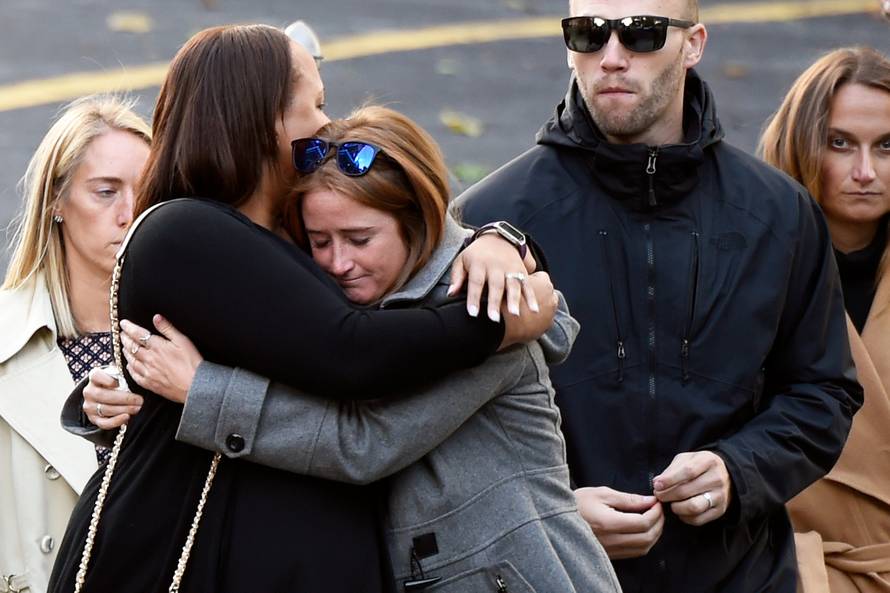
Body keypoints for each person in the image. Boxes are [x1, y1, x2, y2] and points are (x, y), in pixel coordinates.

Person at [48, 25, 555, 593]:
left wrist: (501, 242)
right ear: (262, 119)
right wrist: (501, 321)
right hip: (180, 552)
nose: (325, 124)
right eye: (314, 104)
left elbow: (414, 248)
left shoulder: (293, 234)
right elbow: (350, 352)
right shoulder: (183, 230)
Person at [455, 0, 864, 591]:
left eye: (642, 34)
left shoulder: (778, 213)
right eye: (588, 34)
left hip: (742, 576)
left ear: (694, 44)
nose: (612, 57)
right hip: (558, 576)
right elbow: (447, 430)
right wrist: (555, 512)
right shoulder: (490, 220)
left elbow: (824, 391)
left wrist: (739, 470)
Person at [0, 95, 150, 593]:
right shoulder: (7, 339)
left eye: (147, 192)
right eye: (106, 192)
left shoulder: (194, 339)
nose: (130, 213)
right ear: (56, 203)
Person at [760, 46, 890, 593]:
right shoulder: (749, 268)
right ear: (802, 142)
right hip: (799, 572)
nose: (865, 172)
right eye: (840, 143)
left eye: (886, 146)